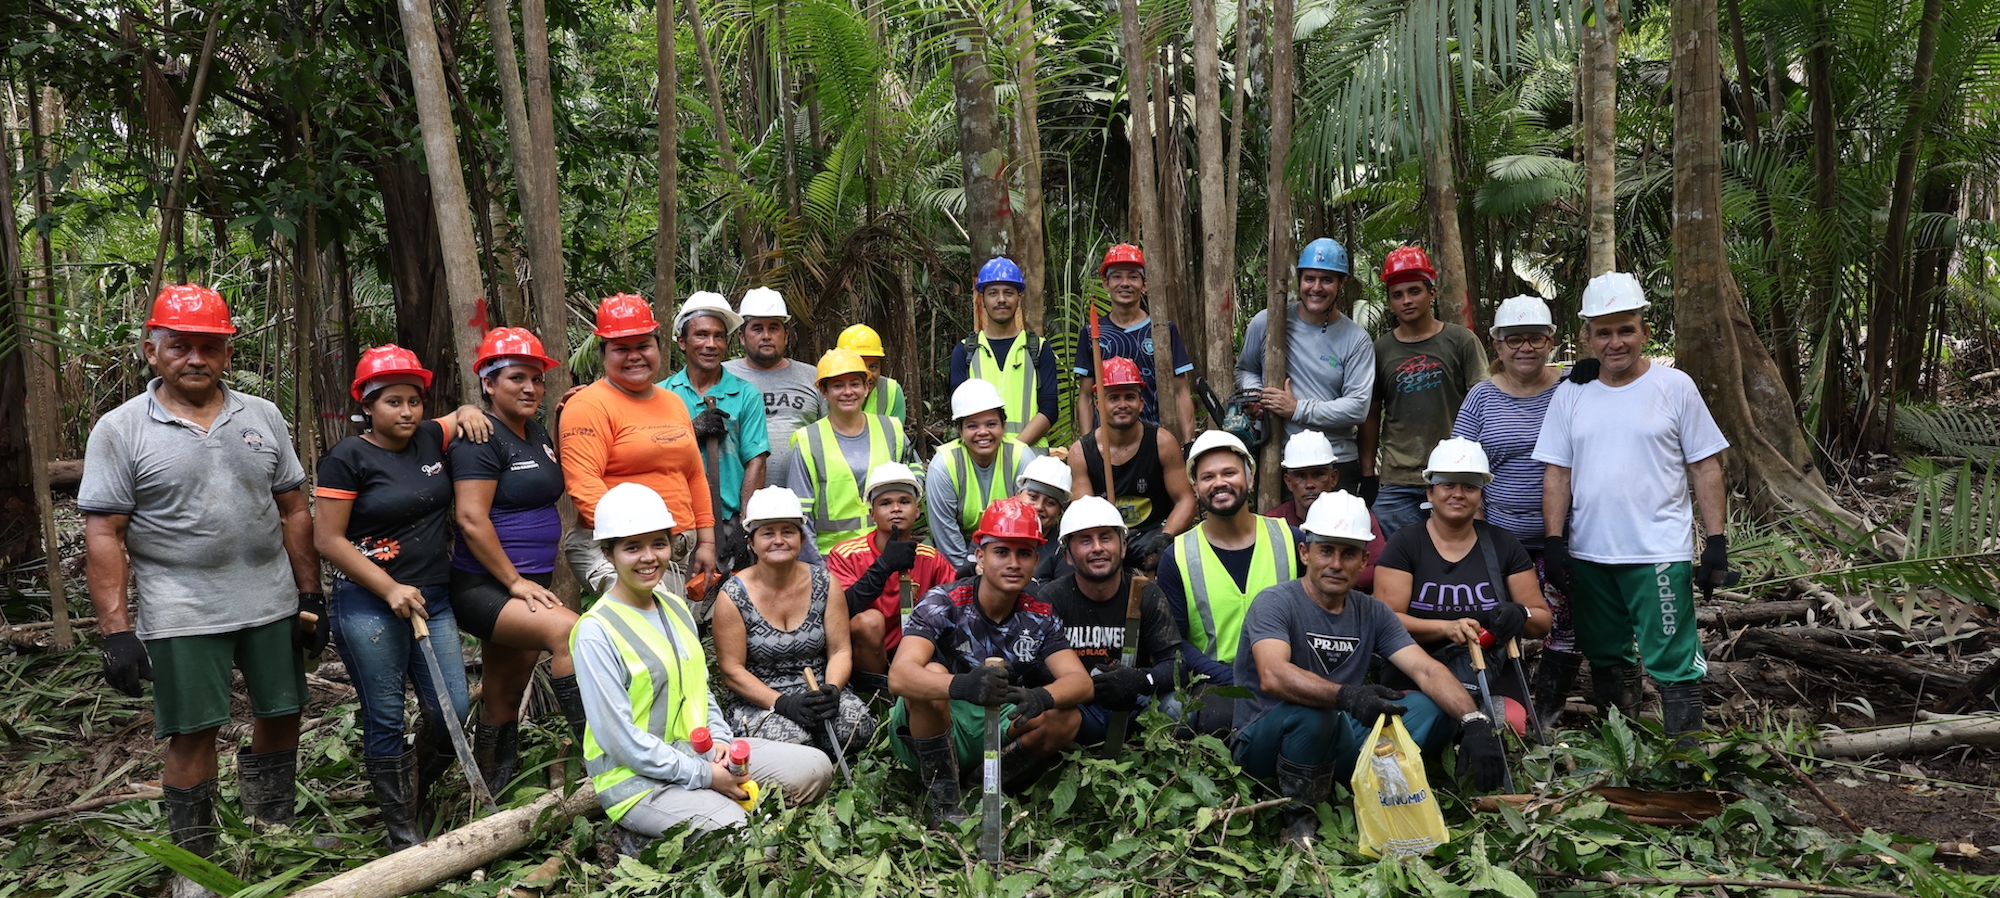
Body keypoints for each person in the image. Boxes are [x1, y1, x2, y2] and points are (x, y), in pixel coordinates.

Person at [80, 286, 323, 894]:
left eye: (209, 346)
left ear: (226, 352)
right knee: (193, 731)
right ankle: (197, 866)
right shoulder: (120, 429)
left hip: (269, 598)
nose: (195, 358)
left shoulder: (262, 415)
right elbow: (104, 532)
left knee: (283, 711)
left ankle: (273, 828)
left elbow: (294, 508)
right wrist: (116, 632)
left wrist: (310, 594)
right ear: (151, 350)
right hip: (182, 607)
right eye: (179, 345)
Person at [1232, 491, 1507, 848]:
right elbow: (1273, 674)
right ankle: (1299, 815)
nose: (1336, 564)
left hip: (1337, 733)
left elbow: (1426, 670)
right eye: (1326, 550)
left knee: (1429, 706)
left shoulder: (1372, 612)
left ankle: (1373, 783)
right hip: (1266, 743)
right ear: (1305, 553)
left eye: (1348, 554)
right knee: (1316, 715)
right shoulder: (1275, 602)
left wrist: (1475, 723)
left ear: (1364, 561)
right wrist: (1347, 696)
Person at [573, 483, 833, 850]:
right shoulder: (595, 632)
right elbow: (621, 741)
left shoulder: (675, 607)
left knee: (815, 769)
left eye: (658, 544)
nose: (649, 557)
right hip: (638, 780)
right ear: (609, 554)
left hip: (701, 753)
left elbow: (700, 689)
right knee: (756, 841)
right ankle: (640, 836)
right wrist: (706, 776)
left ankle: (705, 816)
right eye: (633, 547)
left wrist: (722, 745)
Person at [1535, 272, 1730, 739]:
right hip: (1591, 552)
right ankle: (1625, 749)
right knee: (1605, 653)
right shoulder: (1572, 392)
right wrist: (1556, 542)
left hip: (1656, 551)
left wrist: (1716, 542)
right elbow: (1557, 473)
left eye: (1626, 330)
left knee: (1673, 658)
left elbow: (1705, 467)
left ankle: (1685, 755)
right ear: (1587, 337)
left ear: (1645, 330)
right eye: (1603, 332)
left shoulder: (1674, 386)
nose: (1615, 342)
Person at [314, 345, 487, 850]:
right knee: (385, 713)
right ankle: (400, 829)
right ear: (368, 404)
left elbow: (459, 416)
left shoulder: (431, 436)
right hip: (369, 602)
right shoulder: (348, 457)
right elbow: (328, 540)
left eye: (414, 400)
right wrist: (388, 588)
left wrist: (470, 410)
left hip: (432, 598)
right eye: (393, 401)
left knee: (452, 706)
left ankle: (416, 790)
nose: (407, 411)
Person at [888, 498, 1095, 825]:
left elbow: (1080, 682)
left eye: (1024, 553)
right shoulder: (944, 601)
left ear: (1035, 561)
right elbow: (899, 676)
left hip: (999, 719)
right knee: (931, 673)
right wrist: (961, 685)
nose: (1013, 562)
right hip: (940, 718)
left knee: (1065, 717)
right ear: (980, 558)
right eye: (1002, 552)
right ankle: (943, 799)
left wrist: (1040, 696)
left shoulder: (1038, 615)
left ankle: (982, 781)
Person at [449, 328, 587, 797]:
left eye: (536, 379)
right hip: (485, 586)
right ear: (488, 383)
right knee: (571, 632)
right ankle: (602, 762)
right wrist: (513, 582)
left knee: (503, 695)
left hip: (531, 583)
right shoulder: (480, 437)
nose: (529, 388)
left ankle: (490, 795)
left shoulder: (536, 433)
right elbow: (470, 518)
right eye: (515, 378)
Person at [1371, 439, 1551, 736]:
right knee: (1422, 718)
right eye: (1448, 485)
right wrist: (1445, 628)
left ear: (1481, 493)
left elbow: (1542, 620)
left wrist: (1521, 615)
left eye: (1469, 487)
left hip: (1489, 667)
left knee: (1511, 723)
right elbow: (1386, 619)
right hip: (1416, 666)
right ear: (1430, 491)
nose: (1458, 494)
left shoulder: (1504, 544)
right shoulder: (1405, 544)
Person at [1452, 295, 1576, 726]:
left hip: (1564, 534)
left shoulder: (1572, 387)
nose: (1525, 348)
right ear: (1497, 345)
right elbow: (1462, 463)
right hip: (1501, 535)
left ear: (1551, 341)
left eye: (1536, 339)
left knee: (1563, 620)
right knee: (1504, 618)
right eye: (1514, 339)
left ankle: (1549, 710)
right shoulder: (1481, 398)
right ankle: (1506, 703)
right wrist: (1476, 535)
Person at [560, 294, 717, 598]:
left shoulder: (673, 402)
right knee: (645, 631)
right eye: (621, 348)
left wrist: (707, 541)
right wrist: (643, 546)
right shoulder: (587, 405)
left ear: (659, 348)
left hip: (678, 544)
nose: (634, 356)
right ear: (604, 354)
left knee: (675, 636)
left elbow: (694, 475)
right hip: (623, 545)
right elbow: (584, 485)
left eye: (643, 346)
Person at [710, 487, 876, 760]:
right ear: (752, 542)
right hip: (761, 699)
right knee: (794, 745)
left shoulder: (824, 582)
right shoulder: (734, 596)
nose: (778, 540)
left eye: (787, 531)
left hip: (816, 690)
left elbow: (840, 650)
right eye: (767, 533)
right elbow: (732, 670)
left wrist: (832, 689)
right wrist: (781, 703)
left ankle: (818, 751)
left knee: (856, 725)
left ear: (801, 537)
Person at [1156, 431, 1299, 735]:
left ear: (1250, 479)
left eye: (1229, 472)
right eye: (1208, 477)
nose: (1219, 482)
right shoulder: (1177, 556)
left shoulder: (1291, 540)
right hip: (1215, 679)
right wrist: (1232, 678)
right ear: (1195, 488)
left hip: (1289, 674)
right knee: (1198, 718)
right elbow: (1175, 643)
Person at [1356, 245, 1490, 537]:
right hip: (1398, 477)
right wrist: (1368, 473)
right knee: (1393, 559)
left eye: (1414, 291)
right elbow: (1370, 412)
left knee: (1453, 555)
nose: (1406, 300)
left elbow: (1484, 404)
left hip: (1453, 474)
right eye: (1397, 294)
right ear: (1390, 300)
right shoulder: (1380, 350)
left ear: (1432, 293)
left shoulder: (1461, 341)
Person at [1035, 497, 1182, 746]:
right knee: (1045, 716)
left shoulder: (1146, 594)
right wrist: (1088, 686)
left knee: (1178, 706)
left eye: (1105, 537)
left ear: (1123, 547)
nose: (1097, 548)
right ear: (1068, 556)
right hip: (1079, 711)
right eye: (1084, 540)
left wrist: (1139, 679)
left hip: (1136, 707)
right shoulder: (1051, 599)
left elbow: (1176, 664)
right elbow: (1033, 667)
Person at [1236, 238, 1376, 490]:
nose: (1316, 288)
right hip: (1279, 457)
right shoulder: (1267, 322)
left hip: (1335, 460)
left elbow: (1357, 407)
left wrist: (1297, 409)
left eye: (1327, 280)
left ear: (1341, 283)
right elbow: (1246, 368)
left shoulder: (1356, 339)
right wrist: (1257, 395)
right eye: (1309, 278)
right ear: (1299, 280)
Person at [826, 463, 957, 692]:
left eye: (904, 502)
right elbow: (839, 610)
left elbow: (956, 605)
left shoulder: (931, 558)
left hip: (914, 650)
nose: (895, 508)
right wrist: (884, 566)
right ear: (872, 514)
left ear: (917, 511)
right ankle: (877, 699)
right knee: (868, 621)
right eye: (885, 503)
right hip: (864, 653)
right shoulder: (847, 554)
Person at [662, 292, 769, 571]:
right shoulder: (661, 395)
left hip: (729, 520)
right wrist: (691, 431)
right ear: (682, 342)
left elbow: (756, 461)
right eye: (701, 335)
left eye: (719, 336)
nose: (711, 344)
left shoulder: (746, 394)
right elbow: (649, 456)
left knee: (727, 603)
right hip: (675, 522)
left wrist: (746, 527)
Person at [788, 348, 916, 554]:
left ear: (867, 387)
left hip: (887, 553)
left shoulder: (891, 429)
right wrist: (818, 570)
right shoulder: (807, 440)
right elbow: (801, 515)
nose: (848, 392)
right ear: (824, 392)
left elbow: (915, 476)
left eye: (855, 384)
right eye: (838, 385)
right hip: (832, 558)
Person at [1066, 356, 1195, 559]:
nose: (1123, 404)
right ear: (1099, 403)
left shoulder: (1162, 442)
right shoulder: (1081, 452)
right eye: (1114, 398)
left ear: (1141, 403)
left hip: (1155, 533)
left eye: (1129, 397)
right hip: (1108, 539)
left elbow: (1185, 500)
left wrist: (1165, 537)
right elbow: (1084, 514)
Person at [1072, 244, 1197, 437]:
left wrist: (1188, 441)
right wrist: (1088, 446)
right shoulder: (1092, 333)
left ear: (1144, 284)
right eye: (1116, 276)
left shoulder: (1163, 330)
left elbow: (1180, 391)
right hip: (1106, 442)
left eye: (1133, 276)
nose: (1125, 283)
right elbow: (1086, 396)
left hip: (1155, 440)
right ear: (1106, 284)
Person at [951, 256, 1061, 447]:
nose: (1001, 300)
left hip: (1031, 462)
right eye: (993, 293)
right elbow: (961, 411)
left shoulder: (1039, 349)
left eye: (1008, 292)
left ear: (1019, 297)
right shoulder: (965, 352)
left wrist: (1015, 452)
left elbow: (1049, 409)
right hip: (980, 459)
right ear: (982, 298)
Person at [927, 379, 1035, 569]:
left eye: (991, 424)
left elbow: (1032, 521)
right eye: (972, 426)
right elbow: (946, 535)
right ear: (959, 430)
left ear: (1003, 425)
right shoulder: (944, 465)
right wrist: (968, 575)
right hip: (963, 555)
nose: (983, 432)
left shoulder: (1021, 456)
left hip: (1014, 551)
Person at [725, 287, 826, 492]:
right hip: (736, 502)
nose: (766, 336)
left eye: (773, 328)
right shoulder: (723, 376)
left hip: (803, 498)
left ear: (786, 335)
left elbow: (831, 436)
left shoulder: (813, 376)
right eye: (757, 328)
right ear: (742, 337)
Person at [1264, 431, 1385, 592]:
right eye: (1300, 476)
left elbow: (1379, 567)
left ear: (1333, 478)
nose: (1309, 485)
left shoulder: (1358, 515)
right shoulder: (1273, 522)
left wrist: (1327, 583)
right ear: (1288, 482)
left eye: (1318, 474)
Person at [1013, 455, 1074, 583]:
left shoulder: (1062, 549)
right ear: (1018, 496)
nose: (1039, 507)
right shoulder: (994, 531)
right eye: (1033, 496)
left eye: (1050, 503)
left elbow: (1062, 596)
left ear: (1059, 511)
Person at [837, 323, 906, 422]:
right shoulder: (828, 391)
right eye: (859, 366)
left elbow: (895, 436)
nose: (867, 375)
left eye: (873, 367)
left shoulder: (891, 392)